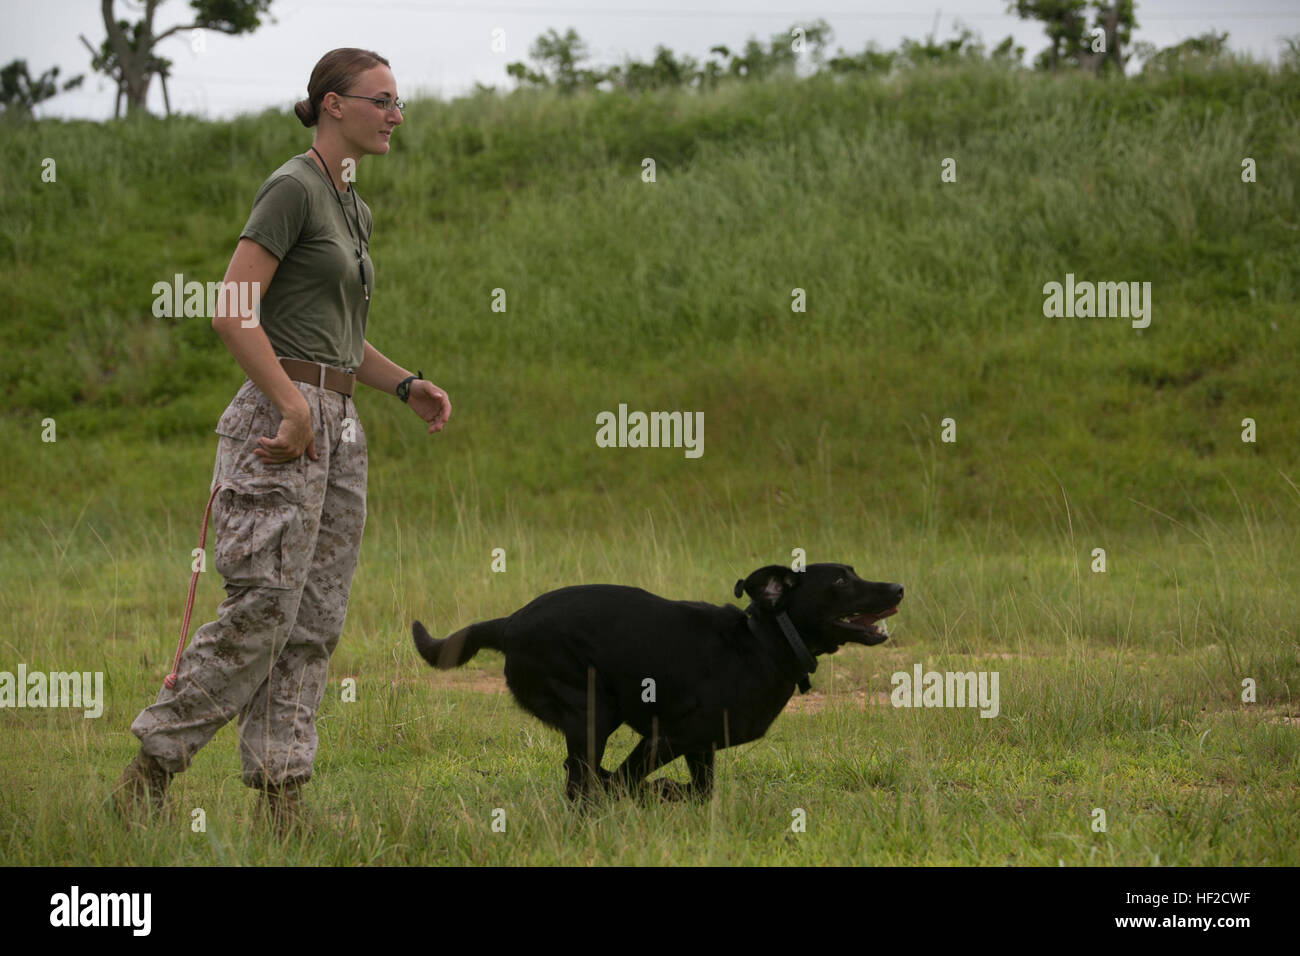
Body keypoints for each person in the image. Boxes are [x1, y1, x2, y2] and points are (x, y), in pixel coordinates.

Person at [113, 48, 450, 832]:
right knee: (263, 609)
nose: (396, 115)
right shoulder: (293, 186)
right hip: (282, 420)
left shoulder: (352, 206)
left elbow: (339, 338)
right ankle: (149, 774)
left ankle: (282, 797)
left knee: (313, 621)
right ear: (334, 104)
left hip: (337, 425)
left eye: (399, 101)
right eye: (383, 100)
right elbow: (232, 307)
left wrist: (404, 384)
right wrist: (288, 408)